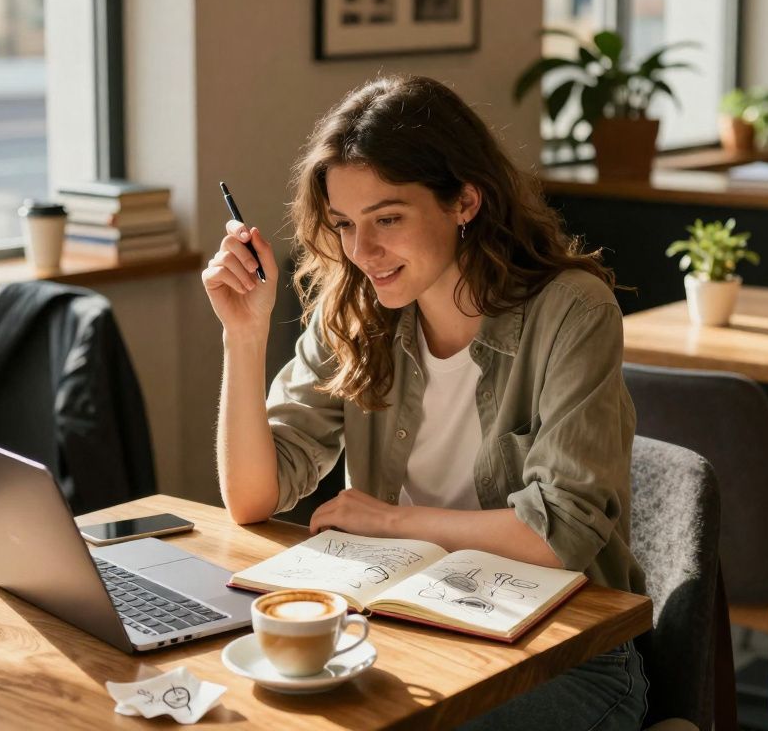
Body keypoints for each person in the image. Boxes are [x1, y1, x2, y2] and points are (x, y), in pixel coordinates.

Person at [201, 75, 646, 728]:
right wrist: (243, 336)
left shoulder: (572, 313)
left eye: (387, 219)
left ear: (464, 200)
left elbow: (561, 533)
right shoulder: (354, 313)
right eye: (346, 224)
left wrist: (390, 522)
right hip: (407, 630)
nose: (363, 252)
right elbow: (251, 497)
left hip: (567, 654)